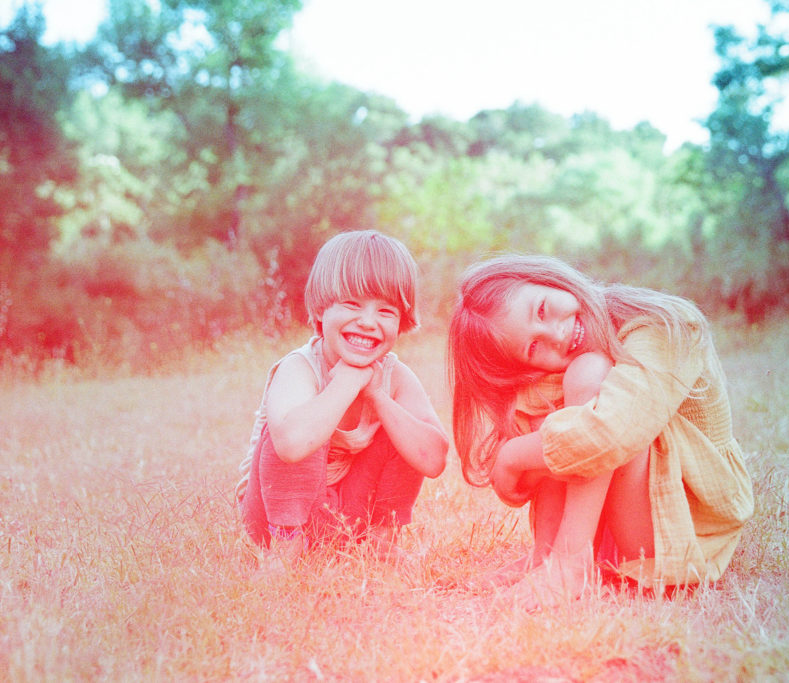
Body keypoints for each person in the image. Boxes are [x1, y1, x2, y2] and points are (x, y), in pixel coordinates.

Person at [448, 255, 753, 607]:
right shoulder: (564, 359)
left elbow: (610, 435)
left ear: (550, 279)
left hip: (683, 527)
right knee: (541, 393)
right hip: (624, 522)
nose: (557, 335)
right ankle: (546, 555)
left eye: (543, 310)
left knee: (590, 377)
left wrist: (511, 458)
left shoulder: (666, 324)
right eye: (533, 348)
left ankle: (569, 561)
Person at [236, 230, 449, 571]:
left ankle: (382, 544)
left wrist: (379, 397)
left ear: (402, 321)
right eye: (352, 304)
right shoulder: (300, 366)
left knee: (403, 427)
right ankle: (284, 555)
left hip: (345, 517)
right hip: (273, 513)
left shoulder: (394, 376)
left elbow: (433, 459)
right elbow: (290, 445)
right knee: (299, 426)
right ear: (321, 309)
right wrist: (347, 382)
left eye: (386, 310)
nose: (368, 322)